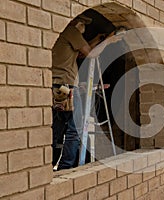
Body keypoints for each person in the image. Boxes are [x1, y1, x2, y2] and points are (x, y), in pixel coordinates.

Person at [51, 14, 121, 170]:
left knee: (58, 129)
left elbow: (82, 52)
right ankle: (66, 167)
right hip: (67, 87)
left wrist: (98, 39)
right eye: (83, 24)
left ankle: (51, 164)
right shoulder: (71, 31)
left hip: (57, 87)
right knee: (75, 131)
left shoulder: (63, 35)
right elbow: (91, 54)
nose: (83, 28)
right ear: (77, 22)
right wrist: (109, 41)